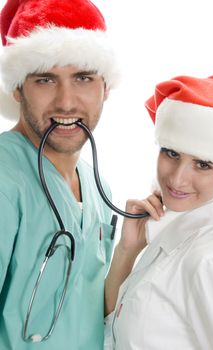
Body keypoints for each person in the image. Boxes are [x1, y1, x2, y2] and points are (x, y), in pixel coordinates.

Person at [0, 0, 120, 349]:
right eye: (45, 79)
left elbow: (88, 308)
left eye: (83, 78)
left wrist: (128, 249)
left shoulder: (98, 187)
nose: (66, 102)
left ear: (105, 88)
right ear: (17, 88)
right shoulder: (6, 181)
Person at [104, 75, 213, 349]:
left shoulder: (211, 259)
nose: (177, 179)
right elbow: (114, 328)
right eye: (171, 153)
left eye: (203, 164)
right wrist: (128, 250)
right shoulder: (172, 236)